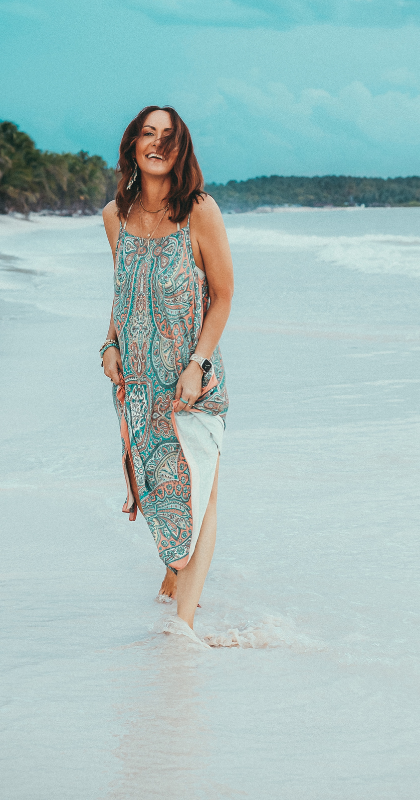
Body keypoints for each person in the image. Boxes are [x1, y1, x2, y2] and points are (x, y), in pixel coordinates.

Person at [101, 105, 233, 633]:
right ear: (133, 143)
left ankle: (183, 626)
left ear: (182, 150)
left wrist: (197, 364)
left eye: (169, 137)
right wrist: (107, 344)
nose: (157, 143)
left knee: (198, 492)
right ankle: (173, 574)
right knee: (158, 489)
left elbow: (222, 298)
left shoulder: (200, 211)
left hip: (191, 382)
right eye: (147, 134)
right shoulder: (115, 216)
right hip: (134, 383)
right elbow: (124, 292)